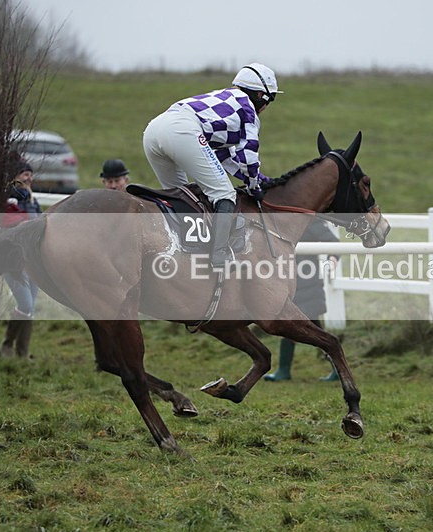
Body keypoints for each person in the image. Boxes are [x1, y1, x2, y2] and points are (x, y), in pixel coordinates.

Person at [142, 62, 282, 268]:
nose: (266, 108)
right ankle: (220, 256)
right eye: (270, 101)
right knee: (224, 195)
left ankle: (179, 249)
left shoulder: (225, 101)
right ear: (261, 95)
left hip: (153, 131)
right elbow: (249, 154)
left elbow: (224, 158)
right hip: (182, 130)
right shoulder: (247, 108)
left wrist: (259, 179)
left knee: (183, 195)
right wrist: (255, 186)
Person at [265, 218, 340, 382]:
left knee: (309, 328)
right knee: (297, 326)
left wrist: (333, 259)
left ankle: (284, 370)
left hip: (306, 281)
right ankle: (284, 370)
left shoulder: (311, 221)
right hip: (288, 281)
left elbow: (333, 243)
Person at [0, 158, 42, 358]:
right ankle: (7, 346)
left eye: (29, 173)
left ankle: (21, 353)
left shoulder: (33, 202)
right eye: (25, 173)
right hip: (13, 261)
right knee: (25, 305)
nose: (29, 177)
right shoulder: (8, 203)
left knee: (30, 307)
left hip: (32, 261)